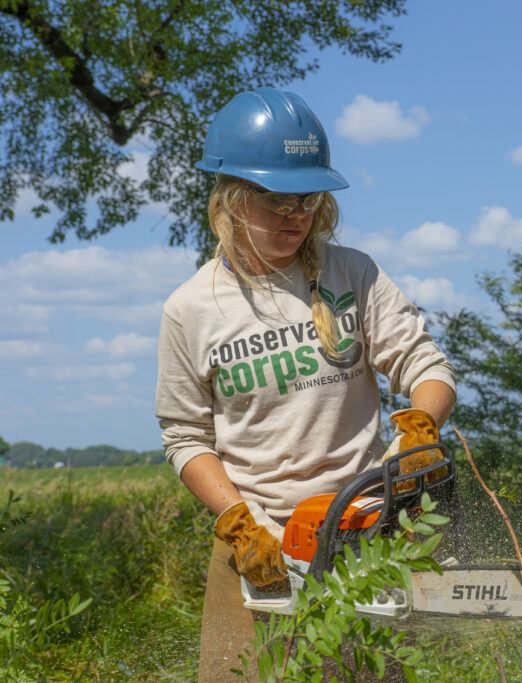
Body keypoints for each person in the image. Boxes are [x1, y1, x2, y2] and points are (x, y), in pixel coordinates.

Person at [155, 86, 456, 681]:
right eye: (277, 200)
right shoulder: (191, 308)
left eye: (307, 199)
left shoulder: (353, 274)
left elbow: (427, 366)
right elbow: (186, 437)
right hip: (256, 543)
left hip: (362, 526)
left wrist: (422, 426)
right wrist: (240, 523)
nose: (296, 215)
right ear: (233, 199)